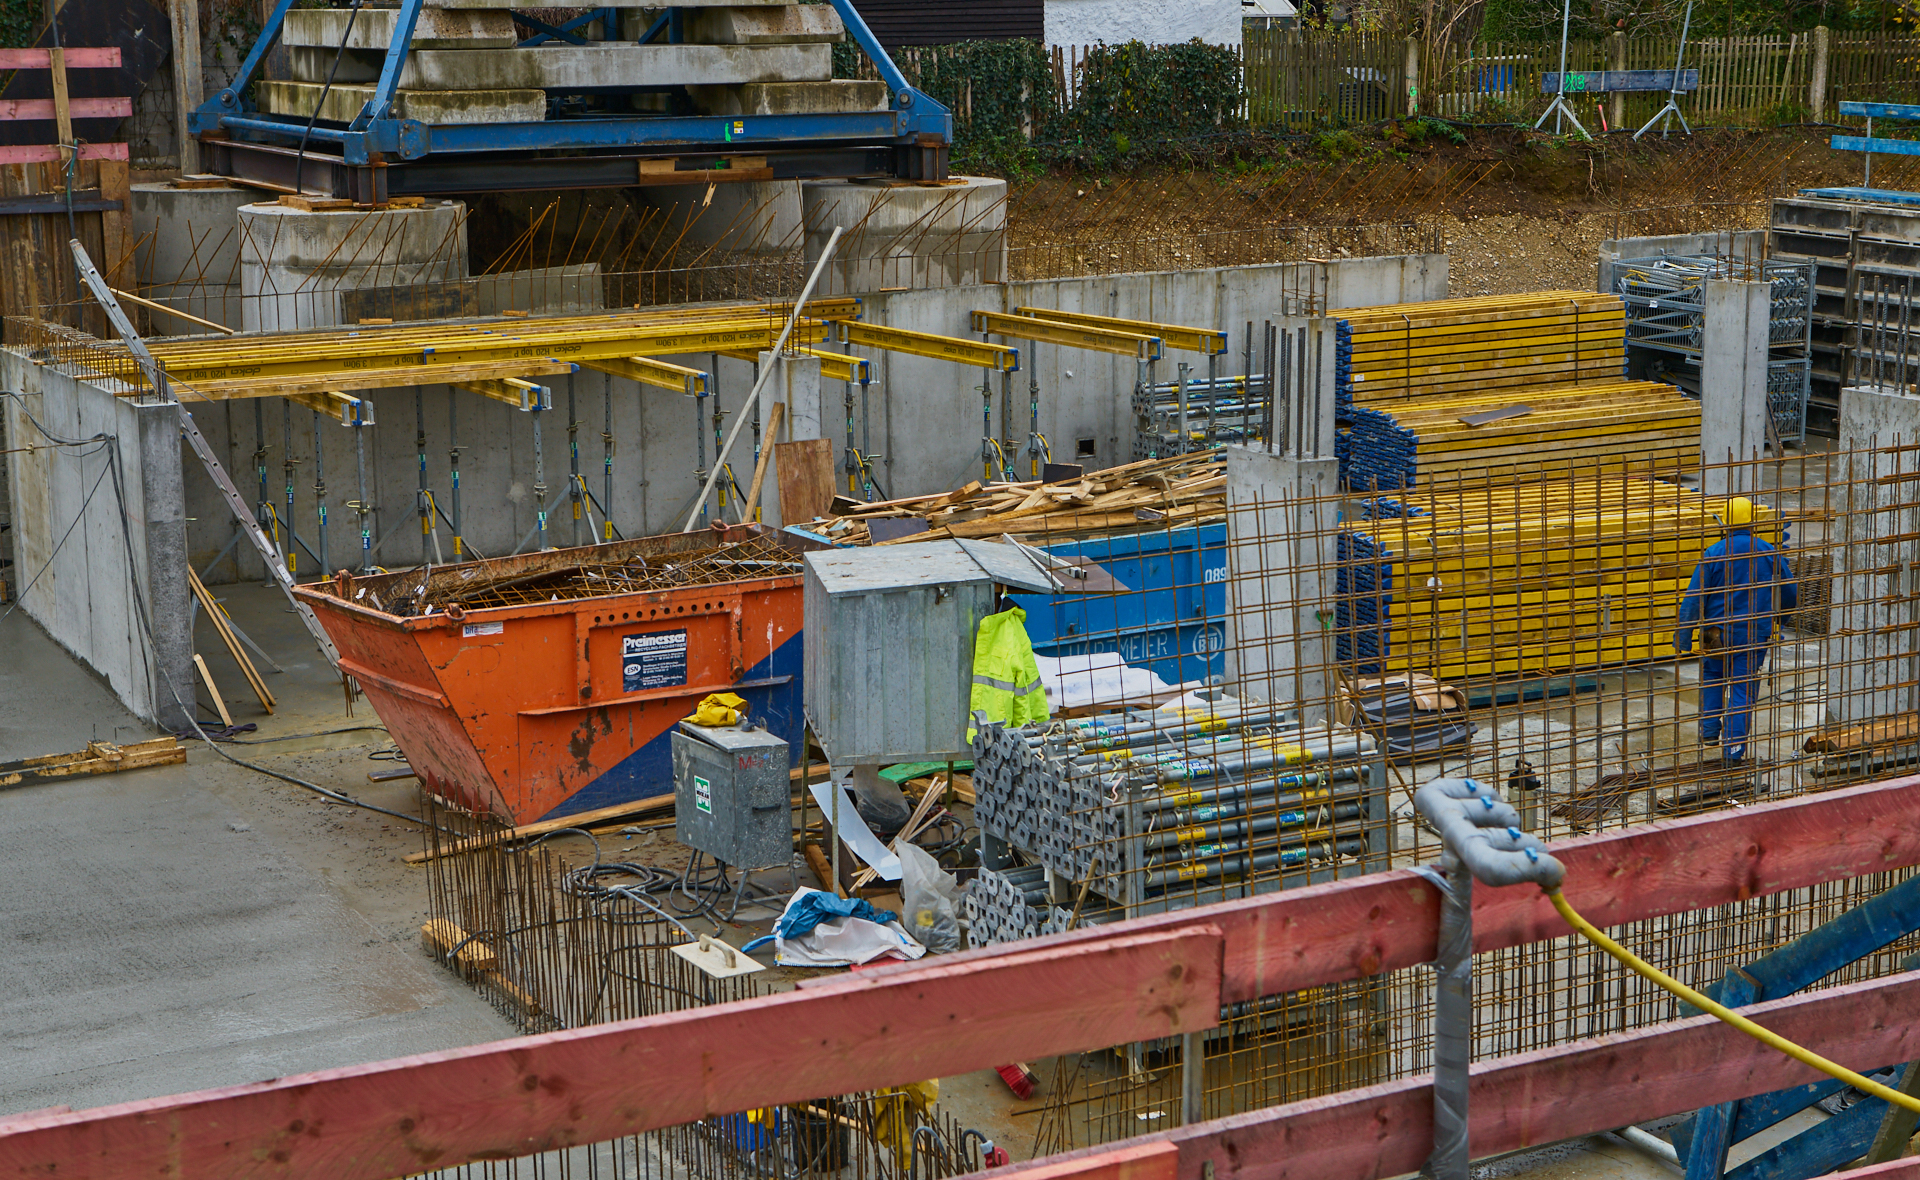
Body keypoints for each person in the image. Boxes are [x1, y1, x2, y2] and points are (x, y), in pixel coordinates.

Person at [1674, 496, 1797, 765]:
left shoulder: (1714, 553)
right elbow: (1789, 592)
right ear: (1752, 523)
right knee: (1742, 690)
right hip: (1753, 633)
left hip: (1715, 633)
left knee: (1712, 678)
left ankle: (1709, 732)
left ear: (1724, 524)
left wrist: (1683, 638)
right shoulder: (1767, 551)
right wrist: (1780, 619)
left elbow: (1694, 599)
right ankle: (1733, 751)